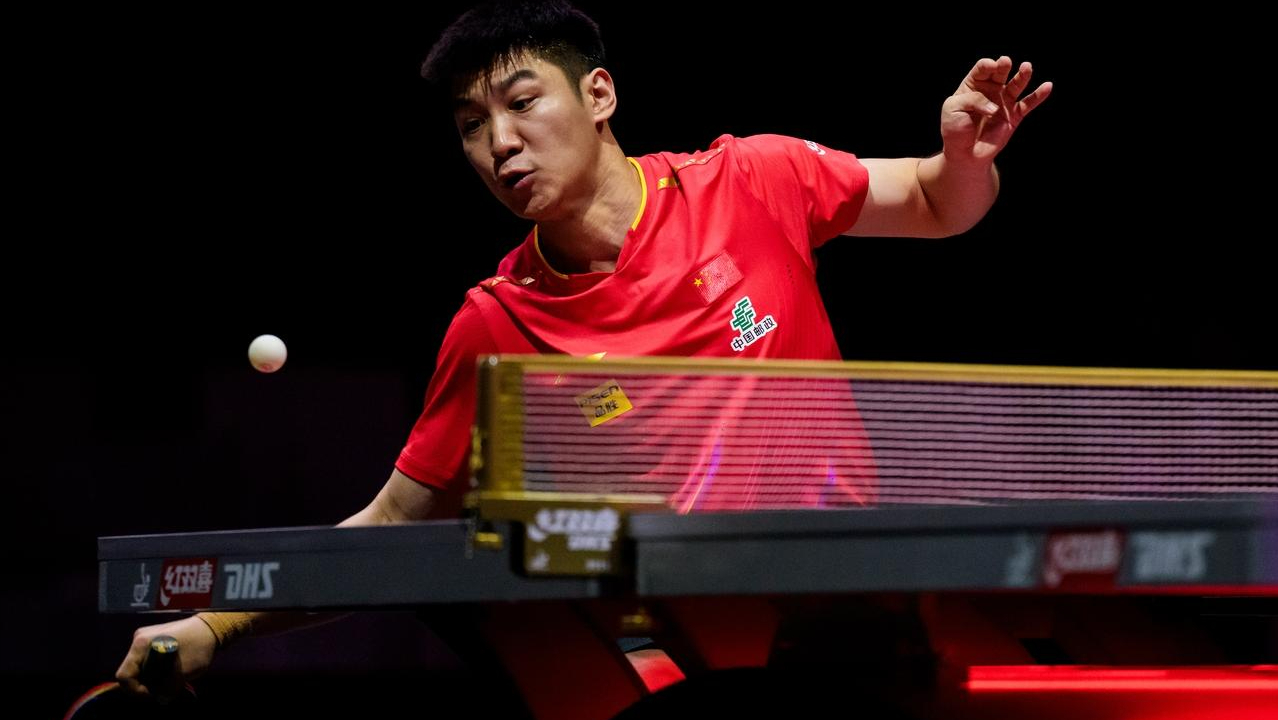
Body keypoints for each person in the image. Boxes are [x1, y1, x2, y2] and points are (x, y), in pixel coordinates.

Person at [115, 0, 1050, 700]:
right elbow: (395, 524)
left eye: (522, 103)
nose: (500, 144)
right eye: (471, 126)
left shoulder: (750, 181)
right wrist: (217, 625)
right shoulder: (497, 323)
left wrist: (966, 159)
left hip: (848, 620)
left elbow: (935, 202)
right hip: (683, 659)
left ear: (598, 94)